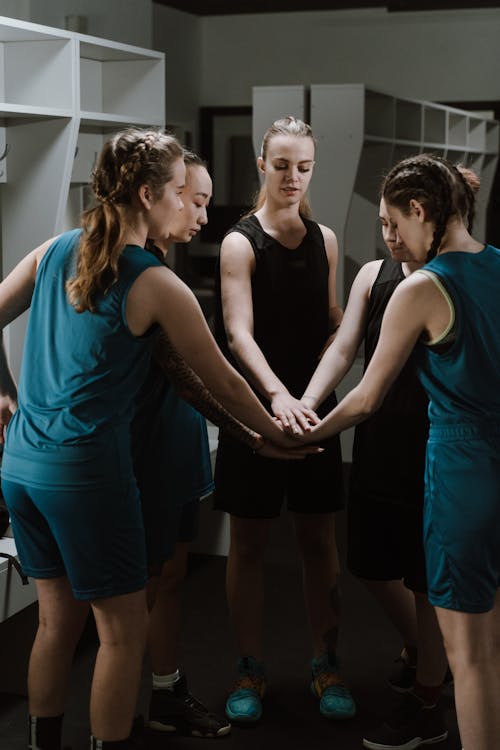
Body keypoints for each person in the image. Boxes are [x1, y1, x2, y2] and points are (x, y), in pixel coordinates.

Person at [0, 127, 320, 750]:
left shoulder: (51, 250)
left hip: (21, 470)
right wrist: (269, 437)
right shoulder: (154, 281)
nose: (190, 203)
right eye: (182, 191)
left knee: (53, 625)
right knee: (121, 635)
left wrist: (5, 386)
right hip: (87, 477)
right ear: (148, 195)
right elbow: (224, 381)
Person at [301, 153, 500, 750]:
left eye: (394, 223)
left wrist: (305, 435)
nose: (393, 241)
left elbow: (364, 399)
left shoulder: (423, 286)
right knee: (491, 650)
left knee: (470, 659)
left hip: (461, 470)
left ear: (420, 211)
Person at [213, 115, 356, 724]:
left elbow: (333, 321)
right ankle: (250, 666)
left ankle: (326, 661)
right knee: (247, 543)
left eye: (303, 167)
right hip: (256, 412)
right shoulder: (240, 241)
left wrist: (315, 395)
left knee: (319, 540)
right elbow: (238, 333)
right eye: (281, 165)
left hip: (313, 413)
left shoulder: (324, 238)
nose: (293, 177)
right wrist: (276, 396)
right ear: (261, 166)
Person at [133, 150, 273, 739]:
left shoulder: (164, 265)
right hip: (139, 453)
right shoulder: (134, 273)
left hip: (177, 449)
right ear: (159, 195)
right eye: (194, 201)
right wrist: (261, 434)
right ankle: (124, 708)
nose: (203, 216)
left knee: (168, 579)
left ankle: (167, 691)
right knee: (130, 594)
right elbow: (199, 377)